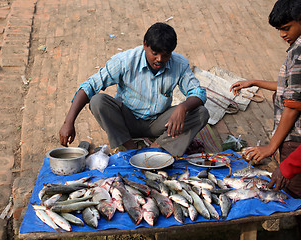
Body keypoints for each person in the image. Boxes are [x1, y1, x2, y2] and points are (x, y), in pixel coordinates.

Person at [59, 22, 209, 156]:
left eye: (165, 55)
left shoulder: (179, 63)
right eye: (154, 53)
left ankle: (156, 148)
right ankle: (130, 148)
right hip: (126, 121)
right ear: (145, 45)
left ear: (172, 52)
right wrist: (68, 122)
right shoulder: (125, 61)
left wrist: (183, 107)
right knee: (98, 100)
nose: (159, 60)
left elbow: (198, 92)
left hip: (159, 123)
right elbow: (89, 86)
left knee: (201, 113)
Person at [230, 0, 301, 197]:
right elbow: (291, 89)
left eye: (286, 28)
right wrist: (255, 82)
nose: (282, 35)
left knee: (294, 195)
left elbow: (294, 105)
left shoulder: (299, 53)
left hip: (295, 141)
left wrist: (271, 147)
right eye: (279, 30)